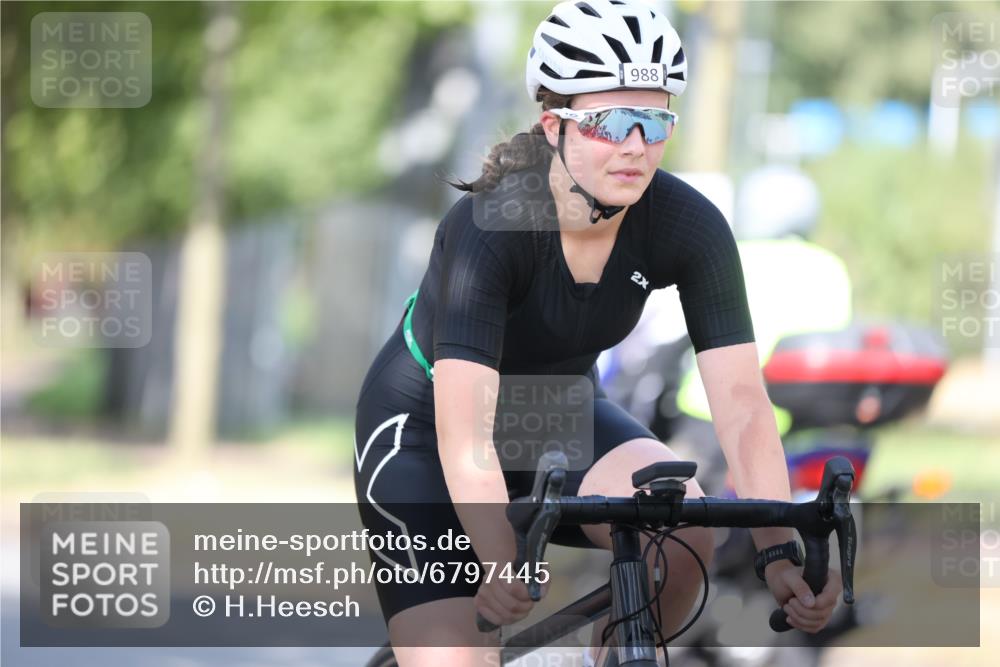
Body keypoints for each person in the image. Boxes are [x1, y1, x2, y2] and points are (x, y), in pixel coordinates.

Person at [353, 2, 842, 665]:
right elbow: (465, 433)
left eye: (655, 120)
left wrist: (778, 548)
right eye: (612, 122)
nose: (636, 145)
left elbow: (743, 406)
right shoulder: (487, 228)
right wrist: (501, 560)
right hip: (424, 434)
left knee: (681, 527)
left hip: (557, 418)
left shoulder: (688, 226)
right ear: (554, 124)